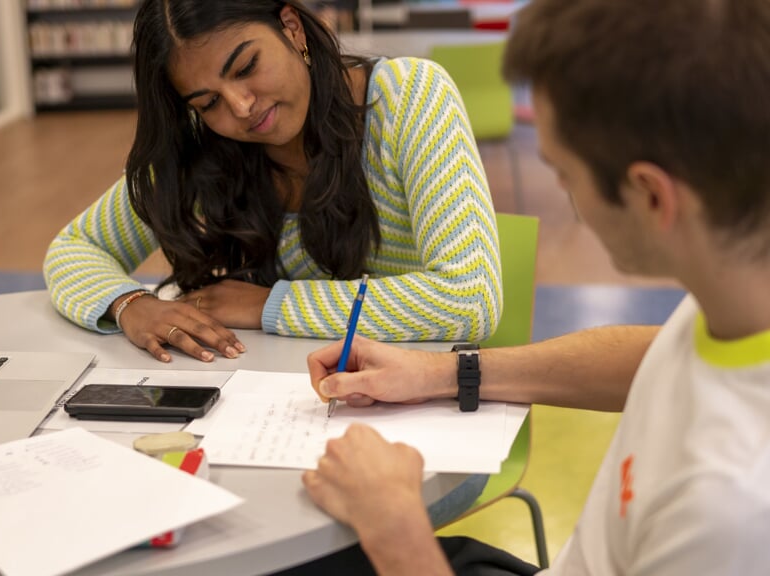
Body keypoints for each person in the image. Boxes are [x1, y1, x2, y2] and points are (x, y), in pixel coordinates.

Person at [299, 0, 770, 574]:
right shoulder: (738, 301)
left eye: (565, 173)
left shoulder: (729, 511)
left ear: (651, 196)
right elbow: (660, 355)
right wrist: (442, 373)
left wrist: (395, 525)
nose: (567, 195)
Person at [44, 0, 502, 364]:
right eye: (208, 103)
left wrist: (269, 306)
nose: (241, 107)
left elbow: (470, 299)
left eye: (246, 68)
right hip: (270, 408)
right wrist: (129, 304)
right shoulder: (202, 150)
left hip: (413, 416)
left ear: (292, 27)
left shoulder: (410, 96)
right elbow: (74, 249)